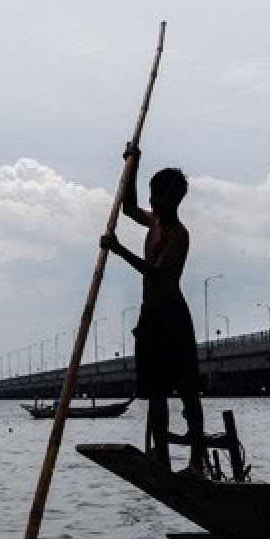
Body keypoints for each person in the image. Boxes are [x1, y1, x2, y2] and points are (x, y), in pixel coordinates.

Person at [100, 142, 206, 475]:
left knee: (187, 390)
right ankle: (160, 458)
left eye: (156, 195)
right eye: (151, 193)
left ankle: (195, 462)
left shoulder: (178, 235)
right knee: (156, 392)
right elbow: (129, 208)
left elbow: (159, 273)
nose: (151, 201)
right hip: (150, 317)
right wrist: (133, 164)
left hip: (172, 316)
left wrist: (118, 250)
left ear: (172, 199)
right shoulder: (156, 222)